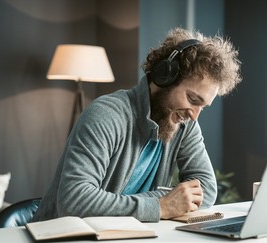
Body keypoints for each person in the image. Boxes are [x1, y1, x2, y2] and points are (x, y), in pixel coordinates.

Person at [32, 27, 241, 222]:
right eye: (193, 100)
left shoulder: (184, 123)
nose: (195, 115)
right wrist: (160, 206)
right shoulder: (106, 115)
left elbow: (207, 189)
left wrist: (165, 202)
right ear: (165, 78)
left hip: (122, 242)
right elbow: (74, 201)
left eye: (203, 106)